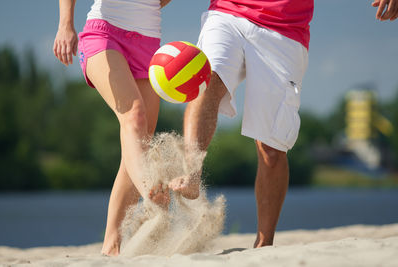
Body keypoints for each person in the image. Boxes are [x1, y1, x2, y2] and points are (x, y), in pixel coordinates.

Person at [170, 0, 398, 248]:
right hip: (226, 12)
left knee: (271, 148)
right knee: (206, 80)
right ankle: (192, 172)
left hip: (284, 30)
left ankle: (263, 244)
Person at [53, 0, 172, 256]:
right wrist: (65, 24)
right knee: (134, 116)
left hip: (149, 42)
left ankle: (111, 245)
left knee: (138, 145)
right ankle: (151, 190)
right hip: (103, 33)